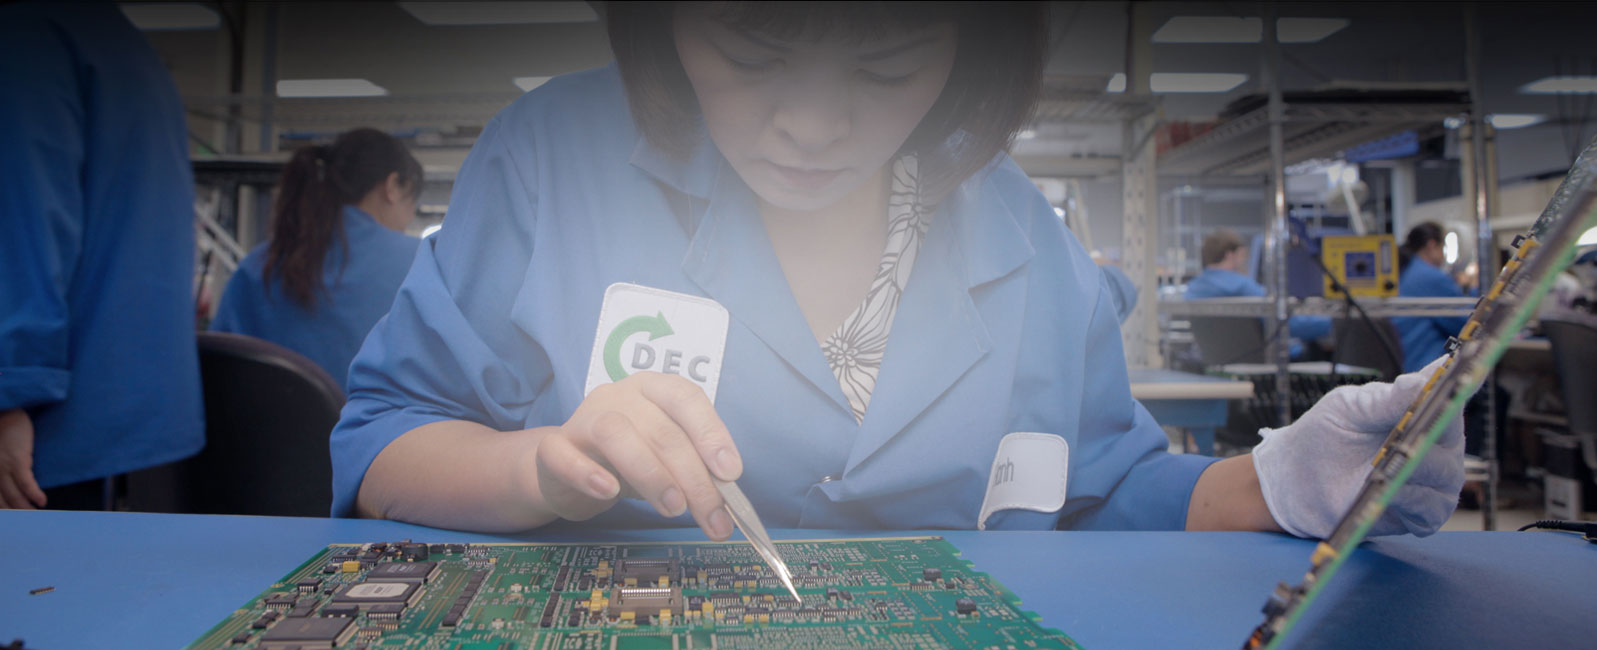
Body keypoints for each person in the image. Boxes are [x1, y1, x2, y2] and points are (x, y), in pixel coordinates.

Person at [331, 2, 1465, 542]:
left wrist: (1277, 485)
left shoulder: (1017, 226)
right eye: (751, 49)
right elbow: (384, 441)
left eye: (886, 66)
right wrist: (541, 465)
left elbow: (1098, 487)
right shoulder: (552, 159)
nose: (813, 125)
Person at [0, 1, 203, 510]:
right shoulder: (115, 37)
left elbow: (22, 221)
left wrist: (8, 392)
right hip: (136, 420)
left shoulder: (23, 32)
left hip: (43, 431)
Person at [209, 129, 423, 391]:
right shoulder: (421, 263)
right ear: (392, 187)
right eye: (411, 205)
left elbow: (219, 366)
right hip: (381, 419)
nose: (407, 221)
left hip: (270, 417)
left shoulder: (259, 265)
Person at [1184, 229, 1331, 359]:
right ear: (1230, 255)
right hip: (1263, 362)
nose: (1244, 262)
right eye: (1243, 256)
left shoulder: (1193, 289)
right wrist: (1331, 323)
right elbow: (1286, 323)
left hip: (1218, 363)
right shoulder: (1241, 286)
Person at [1393, 222, 1470, 374]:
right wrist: (1472, 288)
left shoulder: (1407, 271)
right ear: (1432, 245)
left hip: (1408, 363)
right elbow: (1464, 323)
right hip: (1426, 366)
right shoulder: (1430, 276)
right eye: (1443, 247)